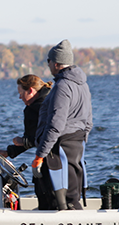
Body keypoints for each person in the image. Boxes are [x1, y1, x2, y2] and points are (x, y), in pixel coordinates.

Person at [32, 40, 93, 210]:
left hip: (59, 149)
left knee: (60, 200)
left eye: (48, 61)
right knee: (72, 196)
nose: (48, 65)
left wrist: (40, 155)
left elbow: (55, 125)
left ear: (56, 63)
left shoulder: (63, 86)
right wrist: (80, 142)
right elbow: (88, 121)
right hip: (76, 144)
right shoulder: (83, 85)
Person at [0, 74, 53, 209]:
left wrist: (22, 142)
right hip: (67, 156)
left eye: (21, 93)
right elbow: (34, 138)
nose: (20, 97)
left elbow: (42, 137)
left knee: (44, 191)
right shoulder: (53, 98)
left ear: (31, 91)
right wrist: (10, 151)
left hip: (50, 159)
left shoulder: (33, 109)